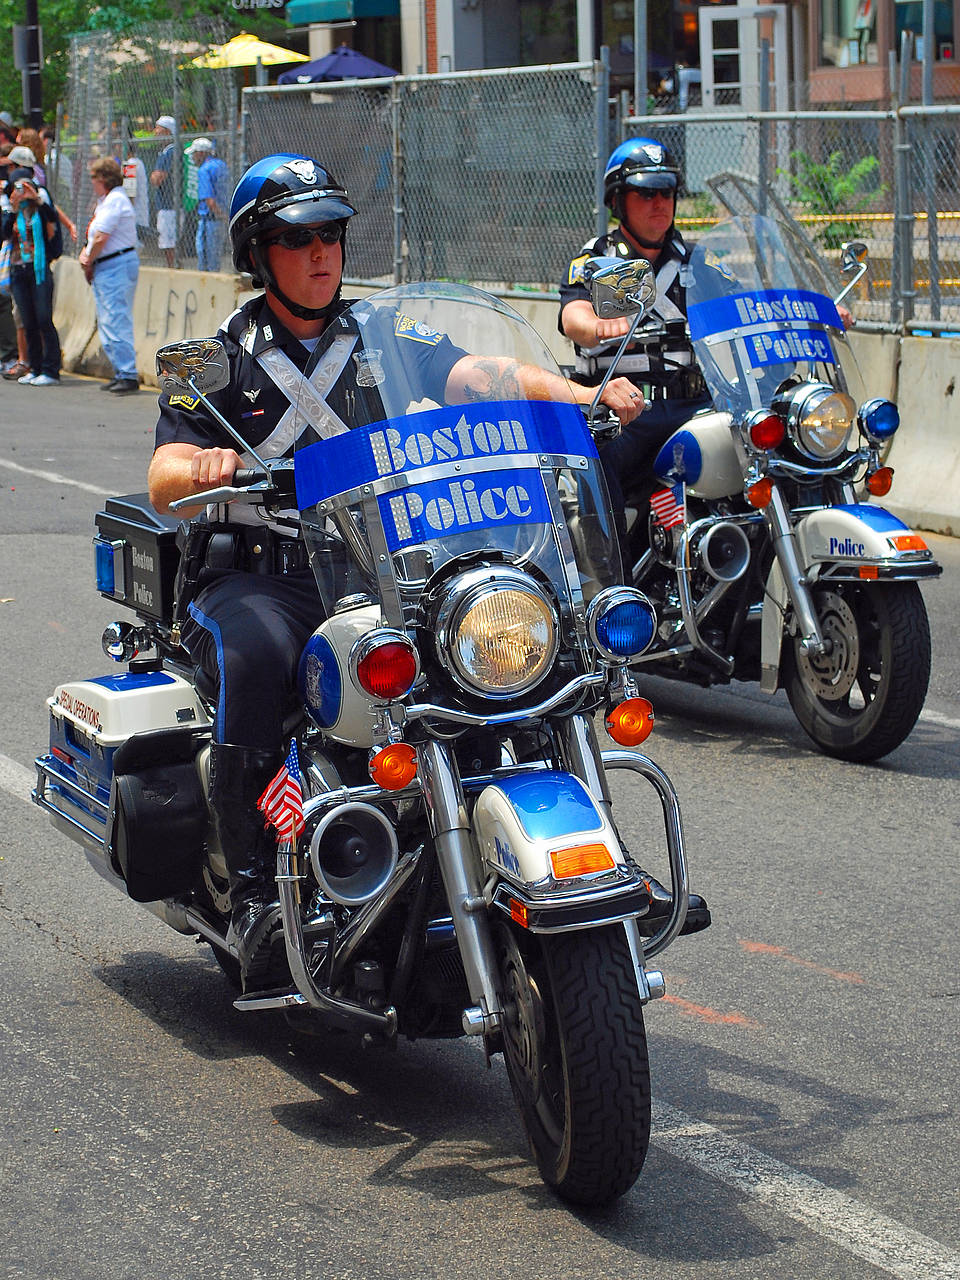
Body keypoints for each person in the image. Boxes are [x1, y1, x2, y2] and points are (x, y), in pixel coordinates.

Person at [147, 153, 644, 993]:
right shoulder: (223, 360)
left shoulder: (383, 338)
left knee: (494, 644)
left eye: (331, 234)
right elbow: (163, 472)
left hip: (372, 567)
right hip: (261, 575)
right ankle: (254, 890)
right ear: (258, 253)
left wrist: (575, 396)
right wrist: (202, 468)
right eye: (296, 238)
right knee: (257, 659)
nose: (320, 254)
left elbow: (478, 377)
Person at [560, 137, 712, 563]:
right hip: (625, 412)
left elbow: (745, 307)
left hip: (693, 406)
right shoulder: (596, 259)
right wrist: (596, 325)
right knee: (597, 453)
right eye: (645, 193)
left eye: (666, 193)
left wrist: (816, 311)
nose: (658, 203)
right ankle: (612, 590)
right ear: (618, 200)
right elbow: (574, 317)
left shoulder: (701, 262)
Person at [79, 157, 140, 394]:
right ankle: (121, 371)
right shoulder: (105, 201)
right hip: (107, 266)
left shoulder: (115, 199)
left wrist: (88, 258)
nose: (92, 182)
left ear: (103, 178)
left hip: (116, 264)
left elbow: (102, 236)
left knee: (116, 317)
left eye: (93, 178)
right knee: (107, 318)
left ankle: (127, 373)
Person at [0, 168, 61, 385]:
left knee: (44, 318)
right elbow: (4, 234)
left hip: (39, 270)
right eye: (17, 188)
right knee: (28, 321)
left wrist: (37, 199)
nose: (21, 192)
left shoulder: (42, 211)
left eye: (25, 187)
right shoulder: (12, 213)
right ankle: (35, 368)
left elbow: (56, 237)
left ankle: (51, 369)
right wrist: (12, 207)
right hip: (18, 272)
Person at [187, 138, 230, 271]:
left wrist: (219, 214)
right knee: (215, 255)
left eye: (194, 153)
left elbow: (209, 200)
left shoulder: (204, 170)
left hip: (210, 219)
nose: (192, 157)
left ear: (201, 153)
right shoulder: (221, 165)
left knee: (205, 257)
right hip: (220, 217)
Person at [149, 115, 177, 268]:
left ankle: (173, 270)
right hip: (168, 205)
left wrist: (154, 175)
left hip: (168, 206)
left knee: (169, 243)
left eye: (158, 128)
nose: (155, 132)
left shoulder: (169, 152)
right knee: (168, 242)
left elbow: (157, 179)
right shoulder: (167, 151)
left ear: (167, 131)